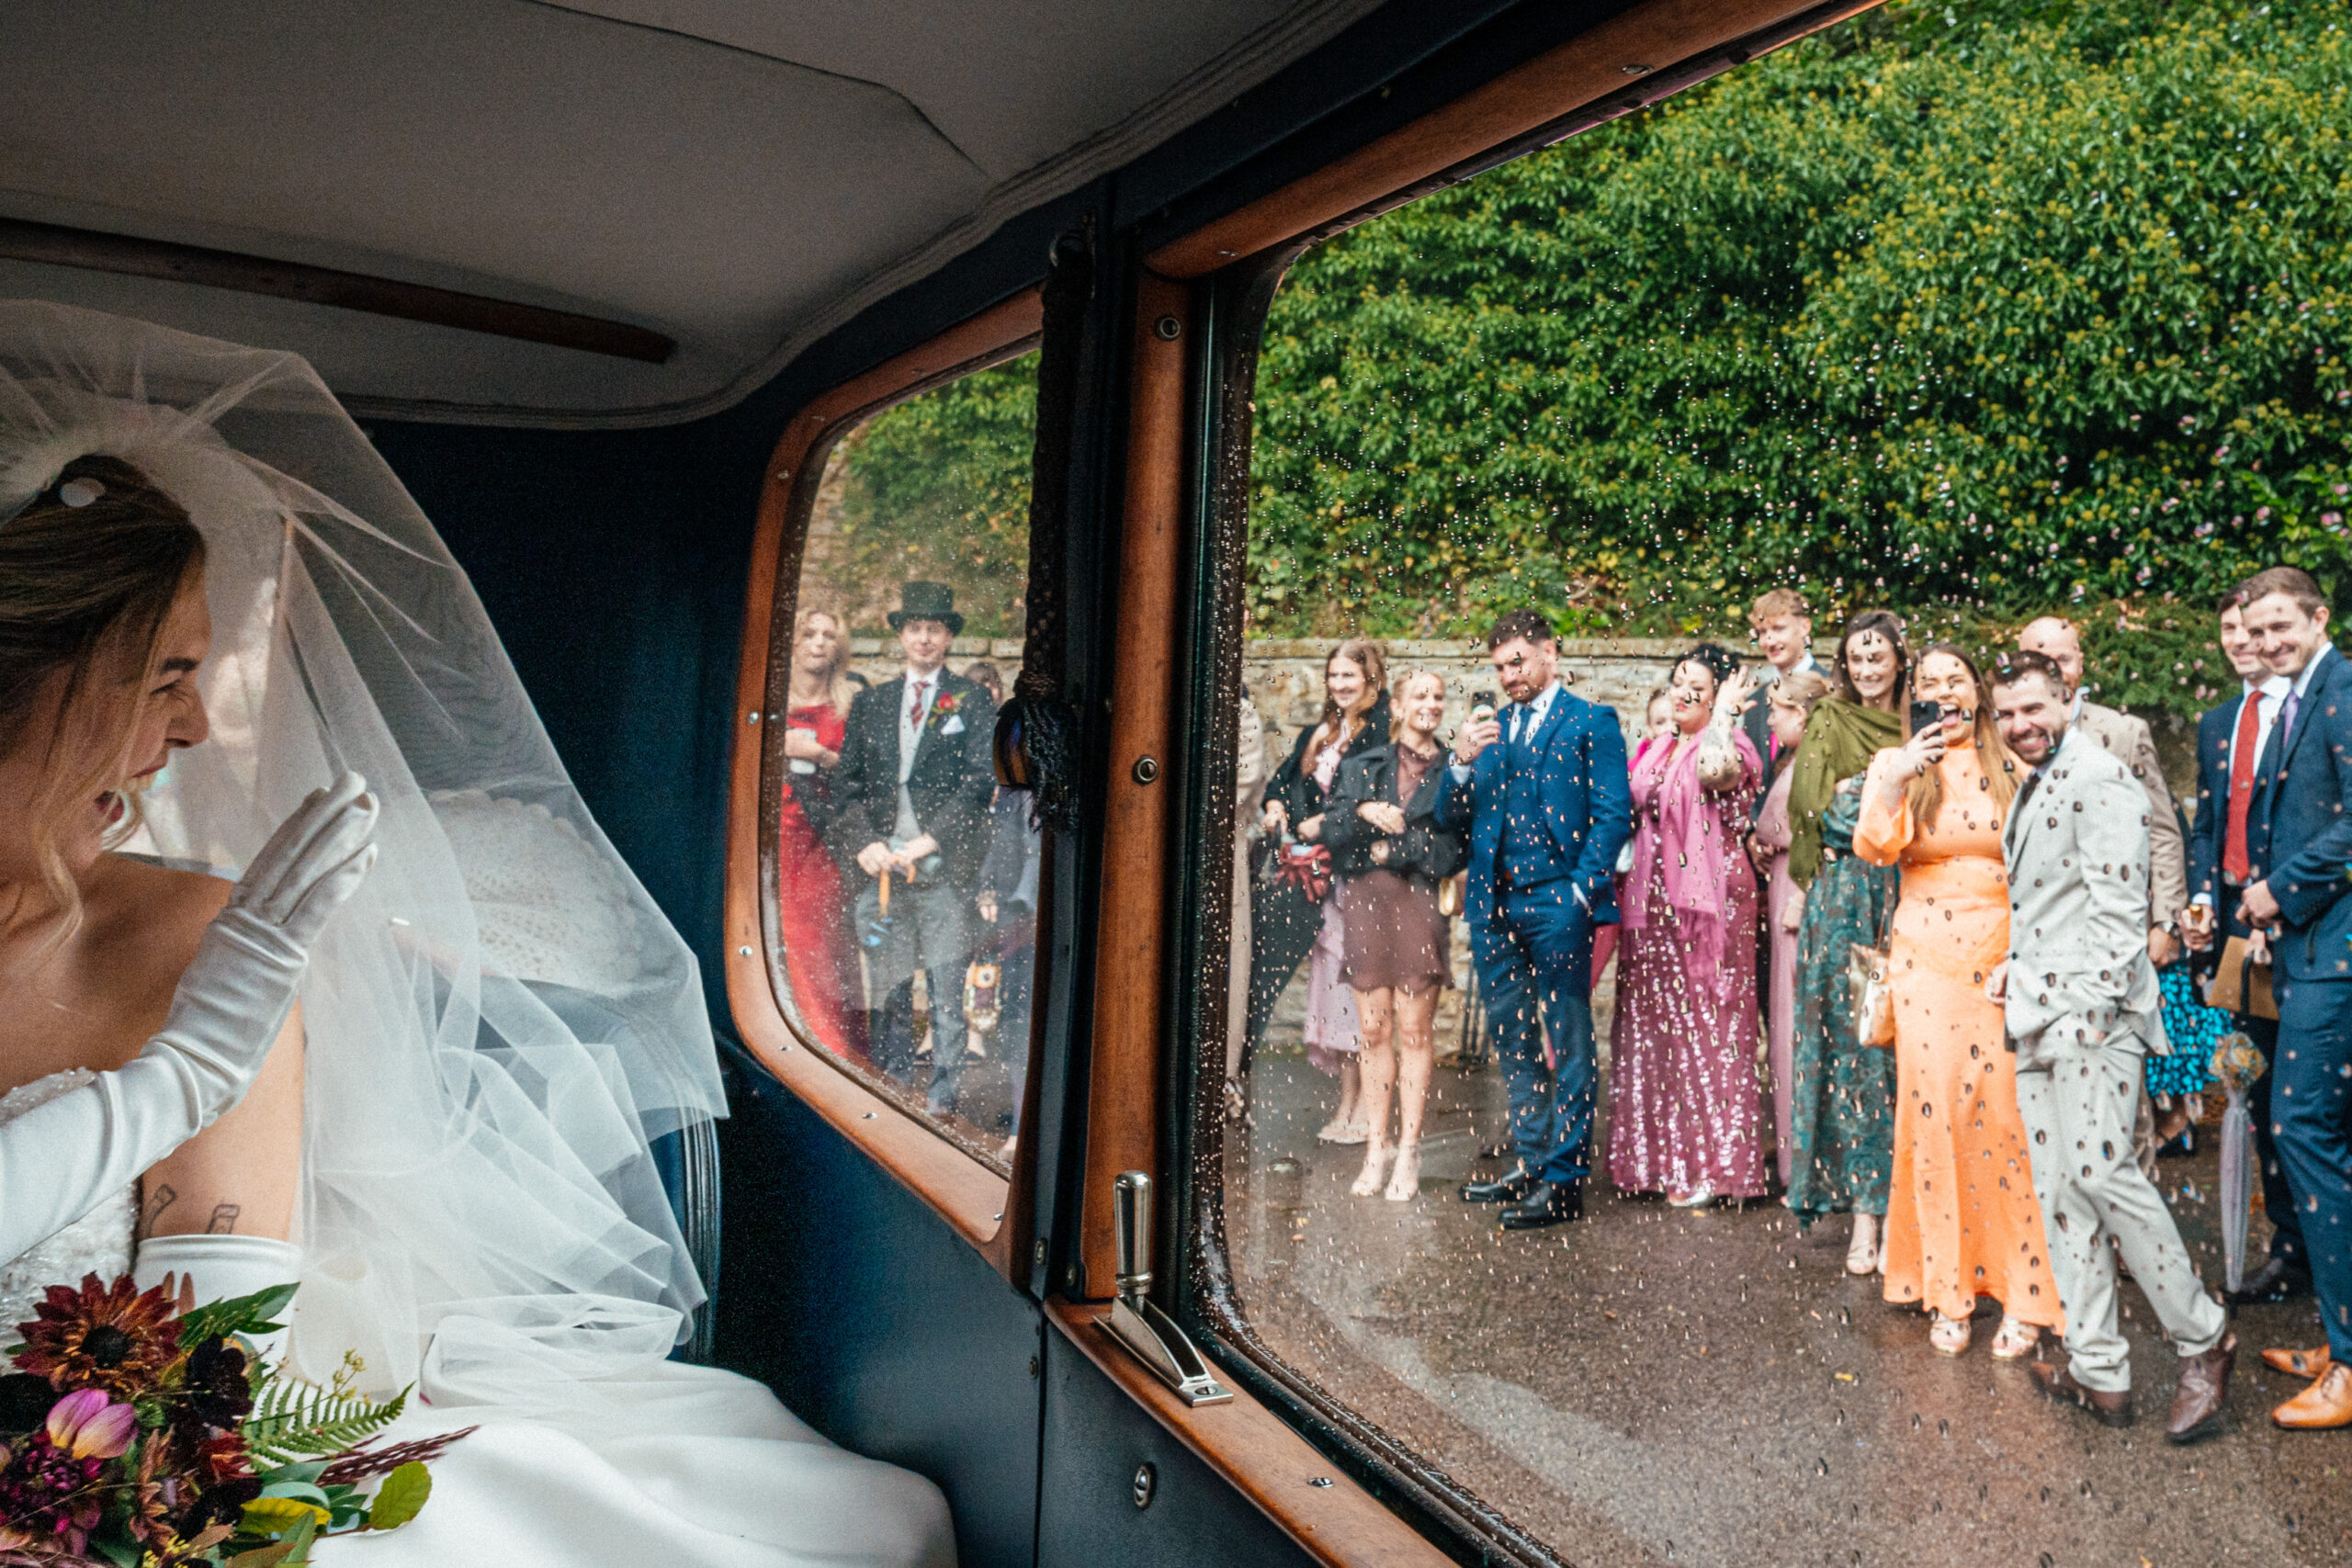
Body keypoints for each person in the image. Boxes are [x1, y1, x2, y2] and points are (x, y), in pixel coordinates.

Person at [0, 301, 953, 1568]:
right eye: (165, 676)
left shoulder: (206, 947)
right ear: (36, 676)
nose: (188, 732)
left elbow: (204, 1391)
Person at [1986, 652, 2236, 1440]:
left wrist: (2088, 1007)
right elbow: (2055, 900)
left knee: (2102, 1173)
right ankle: (2099, 1368)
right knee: (2063, 1189)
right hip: (2039, 1013)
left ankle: (2205, 1336)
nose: (2021, 725)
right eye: (2009, 714)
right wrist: (2016, 967)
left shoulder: (2098, 775)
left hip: (2094, 1018)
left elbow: (2122, 914)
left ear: (2067, 698)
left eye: (2034, 708)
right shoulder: (2042, 776)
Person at [1856, 643, 2059, 1359]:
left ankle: (2026, 1291)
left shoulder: (2015, 762)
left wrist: (2027, 955)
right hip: (1925, 964)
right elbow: (1874, 849)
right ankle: (1946, 1289)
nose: (1944, 689)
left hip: (2001, 962)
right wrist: (1895, 781)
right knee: (1933, 1117)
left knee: (2004, 1122)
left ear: (1976, 688)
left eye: (1956, 677)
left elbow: (2047, 868)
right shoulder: (1900, 762)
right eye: (1931, 681)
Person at [1438, 608, 1633, 1230]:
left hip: (1557, 903)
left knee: (1568, 1039)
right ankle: (1532, 1158)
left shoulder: (1591, 721)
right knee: (1513, 1039)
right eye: (1499, 667)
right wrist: (1460, 763)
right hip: (1495, 907)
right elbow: (1450, 816)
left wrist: (1580, 890)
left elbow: (1612, 813)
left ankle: (1566, 1178)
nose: (1508, 675)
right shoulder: (1489, 729)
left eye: (1517, 661)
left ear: (1550, 651)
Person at [2233, 566, 2352, 1429]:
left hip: (2339, 951)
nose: (2269, 642)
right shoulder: (2298, 691)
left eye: (2282, 626)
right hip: (2310, 944)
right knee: (2317, 1132)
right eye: (2256, 629)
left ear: (2319, 617)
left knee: (2303, 1127)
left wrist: (2283, 886)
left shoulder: (2342, 687)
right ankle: (2340, 1335)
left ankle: (2349, 1362)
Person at [2018, 615, 2201, 1153]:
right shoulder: (2008, 731)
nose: (2055, 669)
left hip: (2112, 935)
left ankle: (2129, 1210)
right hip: (2039, 939)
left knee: (2122, 1089)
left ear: (2081, 662)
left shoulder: (2122, 732)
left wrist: (2165, 920)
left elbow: (2164, 832)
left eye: (2064, 658)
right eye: (2039, 658)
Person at [829, 581, 999, 1119]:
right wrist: (866, 847)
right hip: (884, 873)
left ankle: (942, 1103)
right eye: (915, 628)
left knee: (947, 995)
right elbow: (846, 788)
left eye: (934, 629)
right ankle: (895, 1096)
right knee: (892, 993)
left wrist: (932, 838)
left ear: (948, 638)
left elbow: (978, 780)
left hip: (943, 873)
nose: (924, 638)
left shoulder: (968, 701)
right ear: (902, 635)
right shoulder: (872, 701)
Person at [2185, 586, 2309, 1307]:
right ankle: (2290, 1251)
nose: (2239, 639)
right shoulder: (2217, 721)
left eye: (2251, 627)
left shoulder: (2308, 714)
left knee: (2316, 1101)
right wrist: (2204, 897)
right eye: (2228, 627)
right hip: (2237, 924)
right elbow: (2208, 822)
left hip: (2303, 922)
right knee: (2259, 1091)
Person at [1607, 646, 1765, 1205]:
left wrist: (1723, 715)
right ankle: (1656, 1160)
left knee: (1710, 1026)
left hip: (1710, 900)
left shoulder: (1732, 745)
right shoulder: (1658, 746)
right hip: (1652, 900)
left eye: (1696, 686)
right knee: (1658, 1027)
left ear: (1720, 694)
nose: (1681, 693)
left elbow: (1713, 772)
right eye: (1677, 681)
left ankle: (1716, 1168)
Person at [1781, 611, 1905, 1270]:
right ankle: (1863, 1216)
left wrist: (1871, 793)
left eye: (1878, 656)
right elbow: (1816, 812)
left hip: (1914, 897)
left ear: (1899, 660)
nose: (1866, 669)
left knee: (1908, 1064)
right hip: (1846, 901)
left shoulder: (1922, 724)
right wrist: (1884, 788)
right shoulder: (1830, 719)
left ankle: (1909, 1215)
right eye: (1856, 658)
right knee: (1859, 1054)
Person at [1324, 671, 1467, 1201]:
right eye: (1421, 696)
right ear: (1399, 707)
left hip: (1418, 905)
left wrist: (1397, 848)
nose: (1431, 704)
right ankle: (1375, 1148)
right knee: (1374, 1033)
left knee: (1413, 1033)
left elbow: (1453, 852)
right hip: (1367, 905)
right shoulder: (1363, 765)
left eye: (1438, 695)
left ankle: (1408, 1152)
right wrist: (1363, 812)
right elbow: (1334, 834)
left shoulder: (1455, 770)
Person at [1250, 639, 1387, 1142]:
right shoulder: (1319, 733)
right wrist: (1274, 808)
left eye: (1350, 676)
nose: (1340, 685)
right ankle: (1345, 1102)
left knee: (1361, 994)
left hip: (1360, 881)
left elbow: (1378, 807)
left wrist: (1321, 828)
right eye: (1334, 676)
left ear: (1372, 678)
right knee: (1332, 992)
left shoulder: (1382, 735)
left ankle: (1366, 1109)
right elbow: (1281, 786)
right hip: (1316, 888)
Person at [1749, 668, 1834, 1188]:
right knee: (1785, 1025)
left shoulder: (1815, 763)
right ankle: (1793, 1156)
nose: (1772, 719)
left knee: (1794, 1025)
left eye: (1778, 710)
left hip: (1799, 896)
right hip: (1783, 883)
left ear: (1802, 714)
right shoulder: (1795, 759)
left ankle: (1802, 1164)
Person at [776, 605, 867, 1060]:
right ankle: (805, 1049)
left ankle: (835, 1054)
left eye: (828, 636)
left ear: (839, 647)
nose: (817, 643)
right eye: (808, 633)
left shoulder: (850, 704)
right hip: (775, 841)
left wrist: (817, 754)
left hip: (824, 842)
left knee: (825, 947)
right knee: (788, 943)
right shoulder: (770, 700)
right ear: (791, 641)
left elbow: (861, 779)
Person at [1742, 588, 1818, 794]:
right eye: (1762, 632)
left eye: (1778, 628)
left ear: (1805, 626)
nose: (1769, 641)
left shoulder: (1829, 688)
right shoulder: (1755, 703)